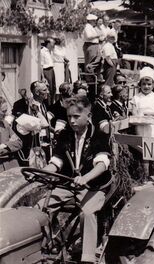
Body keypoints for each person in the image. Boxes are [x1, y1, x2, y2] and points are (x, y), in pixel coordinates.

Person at [39, 96, 111, 264]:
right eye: (69, 116)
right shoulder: (65, 135)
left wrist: (85, 178)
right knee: (40, 208)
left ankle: (87, 258)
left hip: (94, 185)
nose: (71, 121)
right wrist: (43, 172)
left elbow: (102, 164)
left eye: (76, 116)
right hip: (69, 184)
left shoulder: (99, 136)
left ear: (89, 116)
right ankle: (47, 246)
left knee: (87, 213)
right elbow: (56, 161)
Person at [130, 67, 154, 178]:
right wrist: (138, 116)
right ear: (140, 84)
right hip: (141, 127)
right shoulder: (136, 98)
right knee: (145, 151)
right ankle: (146, 175)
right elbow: (134, 113)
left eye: (149, 84)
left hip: (153, 127)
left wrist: (151, 114)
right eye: (144, 84)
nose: (146, 87)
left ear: (153, 85)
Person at [0, 96, 22, 172]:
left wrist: (5, 145)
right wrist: (11, 144)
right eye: (3, 111)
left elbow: (19, 142)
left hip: (12, 165)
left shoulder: (5, 124)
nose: (6, 114)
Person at [41, 38, 56, 105]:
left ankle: (52, 103)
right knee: (48, 89)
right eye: (52, 43)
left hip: (52, 70)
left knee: (53, 88)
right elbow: (41, 65)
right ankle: (48, 105)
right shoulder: (42, 51)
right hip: (46, 71)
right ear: (49, 43)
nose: (53, 44)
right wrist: (43, 77)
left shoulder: (51, 51)